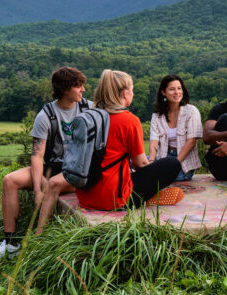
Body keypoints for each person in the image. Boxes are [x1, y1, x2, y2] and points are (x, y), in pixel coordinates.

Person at [0, 66, 91, 258]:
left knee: (52, 185)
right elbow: (37, 155)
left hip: (77, 169)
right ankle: (11, 243)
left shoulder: (90, 108)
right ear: (65, 88)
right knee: (9, 180)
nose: (83, 90)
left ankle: (38, 242)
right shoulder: (45, 115)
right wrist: (38, 189)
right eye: (79, 86)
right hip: (52, 167)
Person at [76, 69, 182, 211]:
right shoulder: (128, 120)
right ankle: (145, 196)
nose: (133, 94)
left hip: (85, 196)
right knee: (172, 164)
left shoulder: (88, 116)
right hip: (113, 198)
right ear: (125, 93)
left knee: (126, 162)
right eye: (132, 90)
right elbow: (140, 163)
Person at [149, 74, 202, 181]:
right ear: (163, 92)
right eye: (172, 89)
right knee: (135, 162)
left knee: (162, 178)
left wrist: (174, 165)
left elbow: (191, 142)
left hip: (182, 161)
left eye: (179, 88)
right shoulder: (157, 115)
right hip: (163, 157)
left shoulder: (191, 111)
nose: (177, 92)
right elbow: (154, 141)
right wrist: (150, 162)